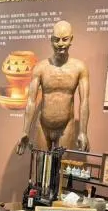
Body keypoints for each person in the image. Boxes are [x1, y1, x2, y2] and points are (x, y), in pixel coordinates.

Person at [15, 20, 90, 154]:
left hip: (66, 126)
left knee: (62, 164)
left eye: (64, 39)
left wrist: (83, 132)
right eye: (56, 40)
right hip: (43, 125)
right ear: (51, 40)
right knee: (40, 164)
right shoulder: (40, 68)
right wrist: (25, 131)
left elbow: (84, 101)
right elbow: (31, 100)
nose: (60, 44)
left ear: (71, 39)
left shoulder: (79, 68)